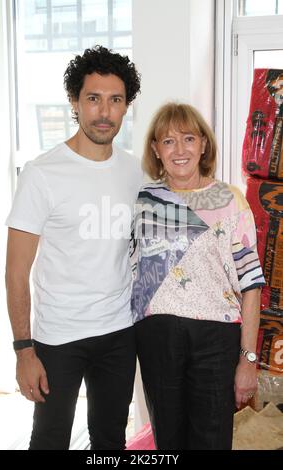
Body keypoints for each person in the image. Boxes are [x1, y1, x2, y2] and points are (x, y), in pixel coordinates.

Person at [5, 45, 142, 450]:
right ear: (74, 103)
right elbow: (16, 270)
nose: (104, 111)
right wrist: (23, 350)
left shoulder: (135, 170)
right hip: (57, 338)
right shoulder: (42, 173)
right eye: (93, 98)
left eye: (115, 100)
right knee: (49, 440)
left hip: (119, 332)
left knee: (110, 440)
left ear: (126, 106)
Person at [131, 102, 265, 450]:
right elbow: (126, 270)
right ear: (156, 150)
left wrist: (248, 360)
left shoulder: (230, 199)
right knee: (168, 442)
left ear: (204, 144)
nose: (180, 150)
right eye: (168, 141)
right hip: (157, 337)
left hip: (216, 340)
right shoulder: (143, 201)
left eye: (188, 138)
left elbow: (251, 284)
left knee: (211, 441)